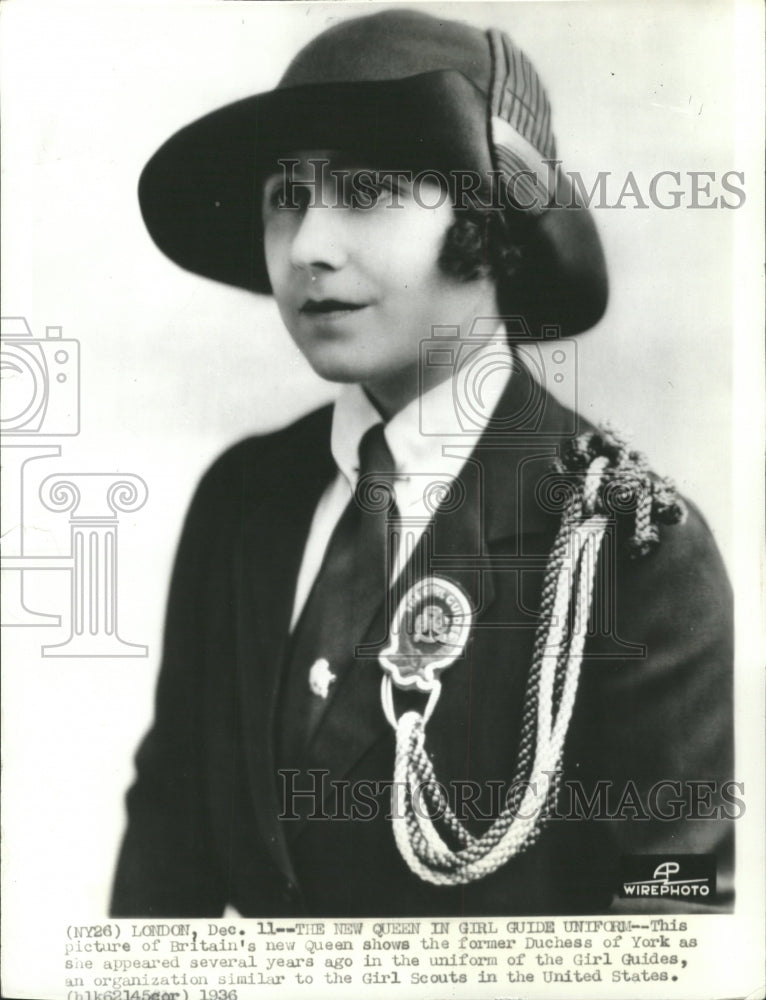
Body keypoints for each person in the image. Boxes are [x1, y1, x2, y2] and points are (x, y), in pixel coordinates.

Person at [111, 8, 733, 917]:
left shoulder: (628, 540)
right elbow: (166, 861)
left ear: (486, 223)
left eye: (364, 194)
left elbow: (673, 916)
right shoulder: (241, 501)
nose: (310, 246)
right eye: (287, 196)